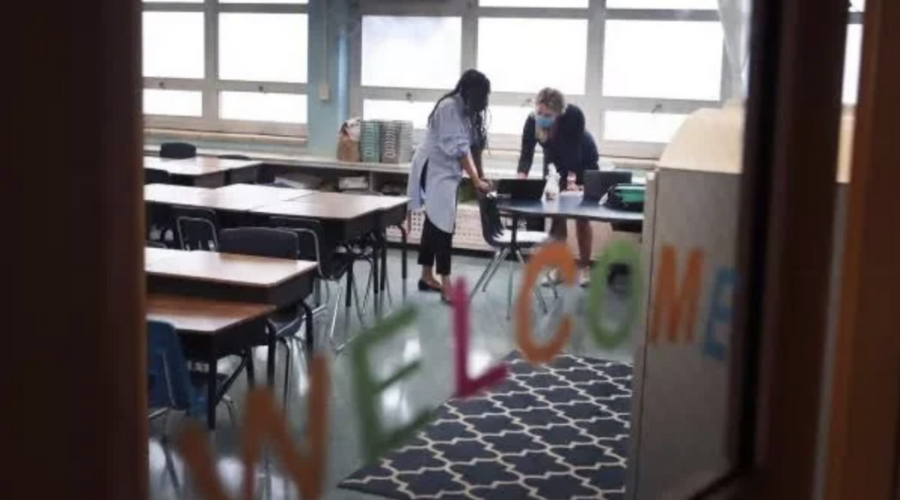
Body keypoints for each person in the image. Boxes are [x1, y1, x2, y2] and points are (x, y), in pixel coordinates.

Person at [408, 70, 492, 303]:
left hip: (446, 171)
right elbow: (460, 149)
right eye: (480, 96)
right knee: (444, 224)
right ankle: (446, 284)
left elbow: (474, 147)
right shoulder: (449, 108)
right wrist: (475, 180)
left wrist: (481, 178)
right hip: (432, 168)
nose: (482, 103)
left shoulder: (468, 111)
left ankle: (426, 276)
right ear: (468, 91)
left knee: (435, 220)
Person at [517, 87, 599, 285]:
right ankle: (559, 268)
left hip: (581, 157)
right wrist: (520, 178)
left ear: (559, 114)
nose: (542, 117)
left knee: (582, 217)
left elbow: (573, 155)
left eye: (548, 115)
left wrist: (572, 186)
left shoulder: (574, 117)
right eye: (539, 112)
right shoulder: (532, 121)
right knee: (556, 216)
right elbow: (526, 153)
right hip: (553, 158)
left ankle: (585, 267)